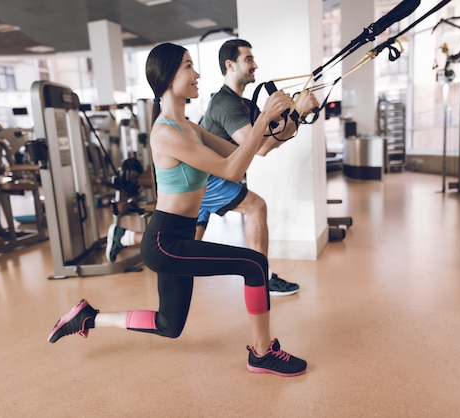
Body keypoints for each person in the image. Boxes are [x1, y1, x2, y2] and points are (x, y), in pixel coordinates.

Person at [49, 42, 307, 377]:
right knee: (254, 265)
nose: (197, 73)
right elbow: (230, 170)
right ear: (168, 76)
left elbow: (241, 155)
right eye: (188, 66)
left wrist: (286, 120)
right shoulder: (165, 133)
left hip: (178, 236)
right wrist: (264, 121)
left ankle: (89, 317)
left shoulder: (189, 127)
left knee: (169, 325)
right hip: (165, 241)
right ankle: (262, 352)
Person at [106, 39, 319, 297]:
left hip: (204, 176)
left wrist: (294, 114)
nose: (255, 65)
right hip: (212, 175)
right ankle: (265, 278)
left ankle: (125, 236)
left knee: (187, 248)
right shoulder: (223, 104)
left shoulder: (230, 108)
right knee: (256, 207)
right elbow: (252, 153)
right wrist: (267, 118)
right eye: (248, 59)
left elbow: (256, 146)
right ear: (230, 65)